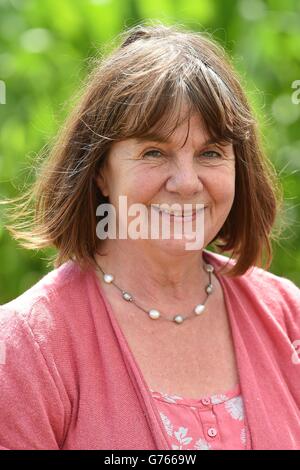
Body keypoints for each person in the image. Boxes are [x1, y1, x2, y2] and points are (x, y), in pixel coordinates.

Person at [0, 22, 299, 451]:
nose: (186, 182)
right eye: (154, 152)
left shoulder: (288, 319)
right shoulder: (26, 349)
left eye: (210, 153)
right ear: (102, 171)